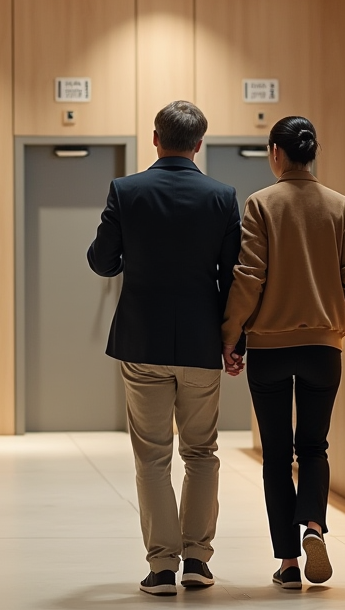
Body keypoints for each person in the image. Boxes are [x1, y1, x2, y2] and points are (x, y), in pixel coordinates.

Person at [87, 100, 241, 597]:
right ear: (200, 144)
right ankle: (198, 560)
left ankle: (161, 569)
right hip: (201, 343)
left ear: (155, 138)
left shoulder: (126, 191)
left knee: (152, 457)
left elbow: (101, 261)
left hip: (143, 341)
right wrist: (237, 341)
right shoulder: (221, 197)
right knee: (202, 452)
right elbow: (236, 275)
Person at [221, 116, 345, 591]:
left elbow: (249, 276)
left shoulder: (261, 204)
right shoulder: (338, 205)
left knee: (277, 455)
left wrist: (231, 333)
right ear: (312, 154)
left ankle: (287, 562)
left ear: (276, 154)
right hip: (323, 348)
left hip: (269, 348)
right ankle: (314, 527)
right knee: (314, 447)